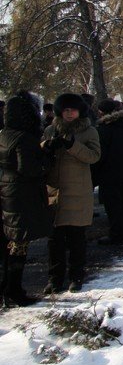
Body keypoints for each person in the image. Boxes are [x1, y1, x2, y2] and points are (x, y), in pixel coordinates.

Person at [42, 93, 101, 293]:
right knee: (54, 241)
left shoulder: (88, 131)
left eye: (73, 110)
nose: (69, 114)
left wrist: (72, 146)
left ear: (79, 111)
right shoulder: (51, 130)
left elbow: (94, 156)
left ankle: (76, 277)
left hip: (77, 192)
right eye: (65, 110)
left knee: (76, 239)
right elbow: (40, 154)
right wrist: (47, 147)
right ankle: (54, 279)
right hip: (55, 192)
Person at [0, 91, 51, 307]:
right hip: (20, 196)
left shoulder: (4, 134)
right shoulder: (25, 138)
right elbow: (30, 170)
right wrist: (47, 156)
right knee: (19, 244)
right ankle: (14, 289)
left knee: (7, 243)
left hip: (5, 191)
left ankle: (7, 287)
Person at [93, 99, 123, 246]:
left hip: (109, 174)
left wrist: (95, 173)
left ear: (101, 112)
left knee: (113, 206)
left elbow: (100, 155)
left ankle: (116, 234)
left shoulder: (103, 129)